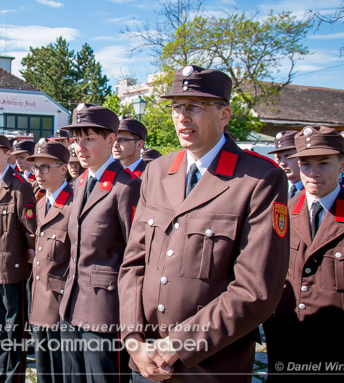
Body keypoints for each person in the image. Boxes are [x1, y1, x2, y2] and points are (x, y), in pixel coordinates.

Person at [118, 65, 289, 382]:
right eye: (177, 107)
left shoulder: (259, 179)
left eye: (195, 106)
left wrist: (179, 345)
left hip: (209, 367)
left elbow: (256, 290)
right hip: (146, 363)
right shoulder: (158, 171)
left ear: (224, 115)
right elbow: (133, 264)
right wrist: (132, 340)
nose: (182, 116)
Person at [263, 126, 344, 381]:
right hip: (286, 346)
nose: (313, 173)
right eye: (305, 164)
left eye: (323, 163)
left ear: (343, 165)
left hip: (337, 353)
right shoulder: (281, 212)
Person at [58, 104, 140, 383]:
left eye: (89, 138)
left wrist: (133, 323)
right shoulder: (80, 182)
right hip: (71, 305)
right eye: (76, 139)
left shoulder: (126, 187)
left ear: (111, 140)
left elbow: (136, 257)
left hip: (105, 311)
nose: (80, 147)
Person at [0, 132, 37, 383]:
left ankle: (14, 377)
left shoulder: (19, 186)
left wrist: (28, 256)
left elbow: (31, 230)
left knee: (14, 328)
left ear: (7, 154)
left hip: (12, 266)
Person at [27, 139, 73, 383]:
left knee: (60, 370)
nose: (38, 174)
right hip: (38, 296)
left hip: (59, 303)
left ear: (63, 169)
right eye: (35, 168)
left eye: (45, 167)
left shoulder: (74, 203)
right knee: (44, 369)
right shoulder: (42, 201)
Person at [268, 130, 304, 199]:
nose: (282, 163)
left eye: (288, 156)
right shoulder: (274, 189)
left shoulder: (314, 190)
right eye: (279, 158)